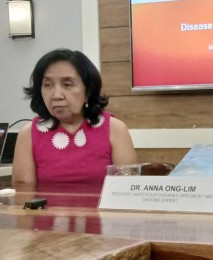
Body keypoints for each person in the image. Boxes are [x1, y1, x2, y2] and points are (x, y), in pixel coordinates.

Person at [12, 48, 137, 183]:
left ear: (88, 91)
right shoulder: (28, 134)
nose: (56, 95)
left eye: (67, 84)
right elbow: (23, 194)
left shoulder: (115, 129)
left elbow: (127, 190)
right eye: (48, 85)